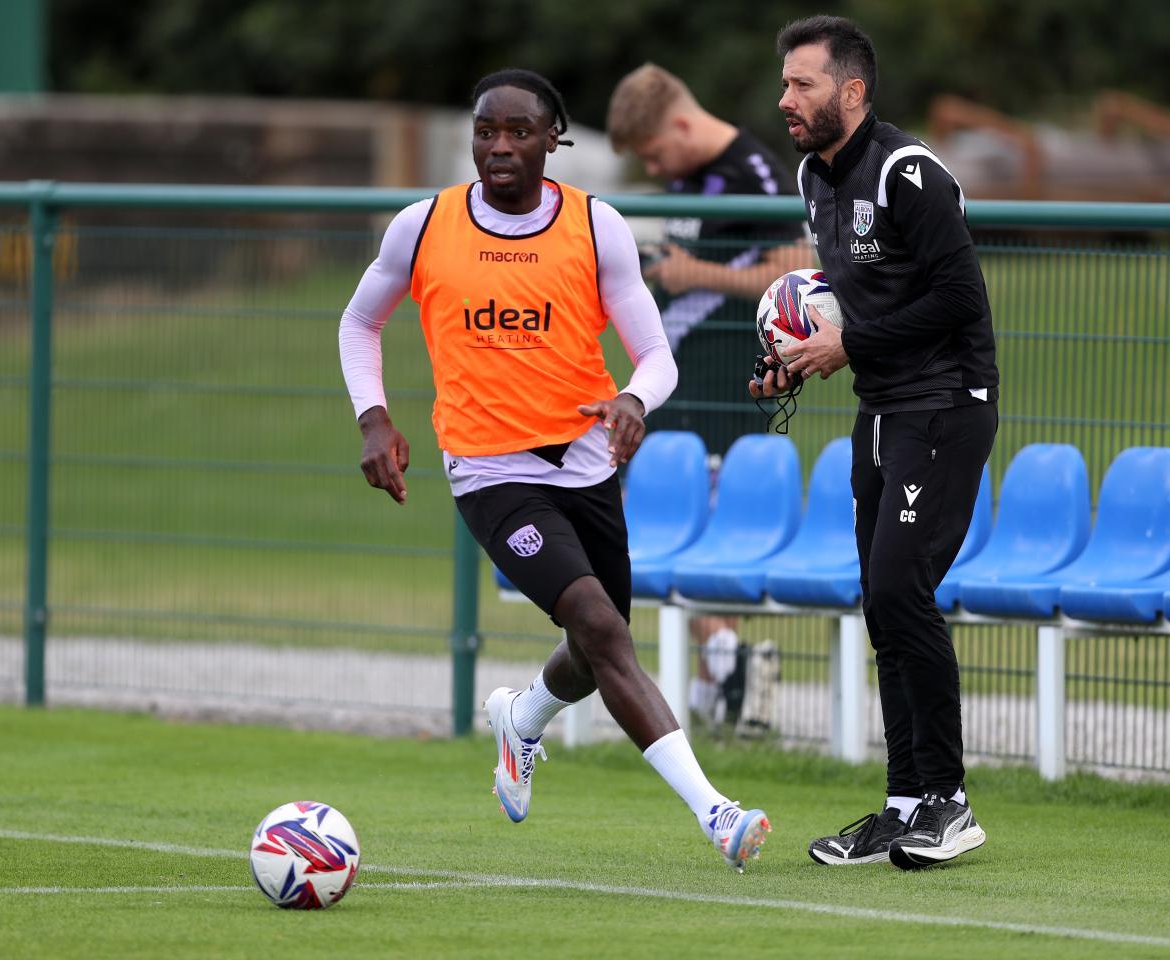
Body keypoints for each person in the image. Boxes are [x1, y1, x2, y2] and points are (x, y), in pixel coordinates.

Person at [339, 68, 770, 872]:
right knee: (603, 631)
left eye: (518, 131)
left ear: (552, 140)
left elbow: (656, 355)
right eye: (486, 131)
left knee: (597, 645)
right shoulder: (422, 226)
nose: (499, 146)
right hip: (489, 473)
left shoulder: (596, 226)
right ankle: (718, 812)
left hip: (586, 465)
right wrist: (374, 419)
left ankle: (523, 718)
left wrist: (634, 399)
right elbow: (360, 320)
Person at [752, 16, 999, 869]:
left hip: (947, 404)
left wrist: (848, 343)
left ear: (852, 91)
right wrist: (790, 357)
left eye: (804, 84)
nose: (786, 99)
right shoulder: (811, 176)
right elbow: (852, 290)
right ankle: (902, 805)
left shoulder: (907, 172)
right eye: (785, 83)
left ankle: (949, 803)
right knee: (881, 603)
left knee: (901, 590)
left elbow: (961, 298)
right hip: (884, 409)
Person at [607, 63, 814, 454]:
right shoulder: (684, 171)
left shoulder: (754, 174)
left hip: (726, 388)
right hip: (669, 380)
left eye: (653, 155)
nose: (653, 169)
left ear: (681, 127)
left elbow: (795, 273)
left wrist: (697, 273)